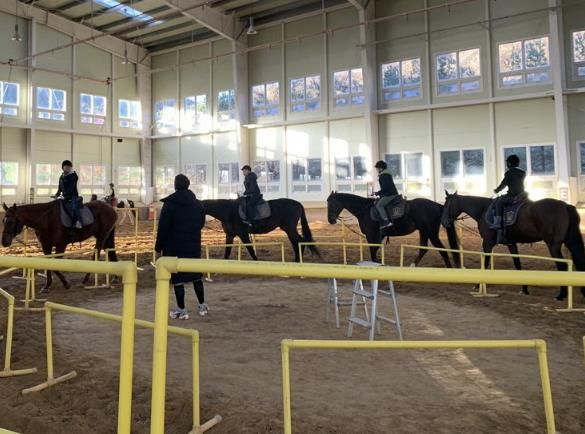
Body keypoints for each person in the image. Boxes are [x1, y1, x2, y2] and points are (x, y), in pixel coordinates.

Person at [155, 174, 208, 319]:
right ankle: (202, 306)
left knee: (178, 280)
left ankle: (182, 310)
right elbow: (201, 223)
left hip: (174, 247)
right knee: (196, 276)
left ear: (175, 185)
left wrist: (158, 247)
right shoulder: (198, 204)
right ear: (188, 184)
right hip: (193, 245)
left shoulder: (170, 204)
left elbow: (163, 228)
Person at [491, 154, 526, 233]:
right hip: (522, 194)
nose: (507, 164)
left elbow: (504, 184)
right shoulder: (523, 172)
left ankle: (497, 223)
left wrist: (497, 190)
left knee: (498, 203)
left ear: (509, 163)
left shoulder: (509, 173)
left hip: (512, 195)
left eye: (507, 163)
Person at [53, 160, 82, 229]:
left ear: (71, 168)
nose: (67, 168)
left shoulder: (73, 176)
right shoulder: (61, 176)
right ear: (63, 168)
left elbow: (70, 188)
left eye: (69, 167)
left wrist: (65, 196)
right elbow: (60, 187)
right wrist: (57, 194)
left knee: (74, 208)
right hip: (65, 196)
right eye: (66, 167)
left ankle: (77, 222)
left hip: (73, 196)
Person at [373, 160, 399, 230]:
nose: (377, 170)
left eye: (377, 168)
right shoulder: (386, 174)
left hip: (390, 194)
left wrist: (378, 193)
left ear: (381, 168)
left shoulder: (383, 175)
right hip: (390, 193)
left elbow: (386, 188)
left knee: (379, 205)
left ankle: (386, 222)